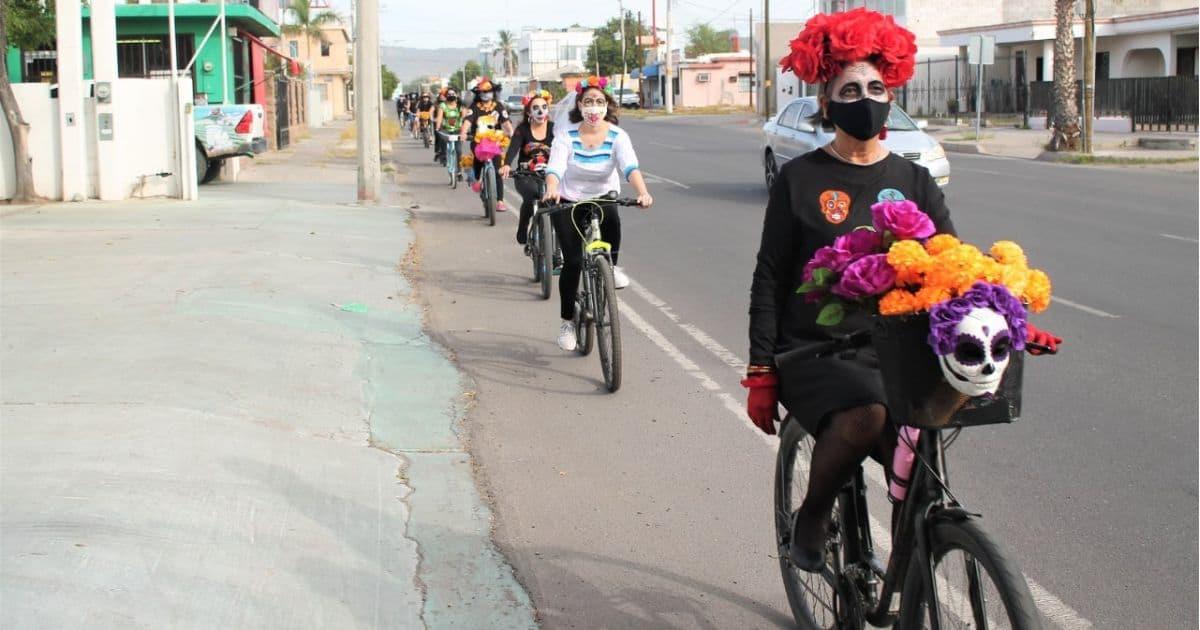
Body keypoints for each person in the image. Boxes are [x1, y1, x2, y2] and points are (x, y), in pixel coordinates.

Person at [742, 8, 1063, 573]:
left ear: (891, 97)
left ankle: (913, 565)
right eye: (849, 89)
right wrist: (762, 369)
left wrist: (1008, 319)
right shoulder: (800, 179)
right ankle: (814, 515)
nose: (864, 98)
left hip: (901, 344)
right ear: (826, 102)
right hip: (817, 348)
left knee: (922, 451)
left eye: (875, 87)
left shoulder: (912, 178)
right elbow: (770, 275)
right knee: (866, 415)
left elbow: (953, 267)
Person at [543, 76, 653, 351]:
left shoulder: (618, 136)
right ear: (579, 105)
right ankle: (568, 322)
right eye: (589, 102)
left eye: (600, 102)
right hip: (568, 199)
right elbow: (554, 167)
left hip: (603, 195)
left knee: (612, 217)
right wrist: (553, 188)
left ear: (608, 106)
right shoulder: (566, 137)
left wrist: (643, 192)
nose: (594, 108)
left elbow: (630, 168)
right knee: (573, 262)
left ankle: (611, 267)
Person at [500, 89, 555, 246]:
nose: (540, 111)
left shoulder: (554, 128)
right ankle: (524, 226)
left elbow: (566, 149)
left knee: (560, 202)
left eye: (544, 107)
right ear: (529, 111)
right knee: (532, 196)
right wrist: (506, 165)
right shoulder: (522, 129)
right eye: (535, 107)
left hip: (551, 174)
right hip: (526, 174)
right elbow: (513, 149)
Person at [459, 78, 514, 212]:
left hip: (494, 142)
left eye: (488, 91)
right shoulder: (474, 107)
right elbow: (467, 122)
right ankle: (478, 179)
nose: (485, 94)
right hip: (478, 142)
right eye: (483, 91)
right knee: (477, 159)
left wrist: (511, 133)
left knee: (497, 171)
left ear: (493, 92)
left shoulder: (499, 106)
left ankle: (500, 201)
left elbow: (506, 123)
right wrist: (464, 133)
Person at [435, 87, 464, 166]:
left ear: (456, 95)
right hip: (445, 129)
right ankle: (444, 157)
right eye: (449, 94)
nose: (451, 95)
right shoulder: (442, 105)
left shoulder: (460, 105)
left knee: (459, 151)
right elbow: (439, 117)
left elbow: (464, 118)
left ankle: (459, 171)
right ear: (446, 96)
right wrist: (437, 128)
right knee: (443, 140)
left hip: (457, 129)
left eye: (453, 94)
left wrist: (464, 129)